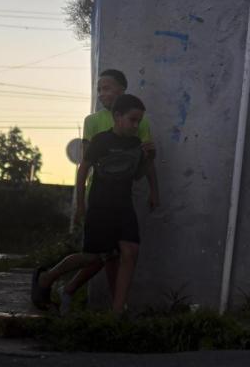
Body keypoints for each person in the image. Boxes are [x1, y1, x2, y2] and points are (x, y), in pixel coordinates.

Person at [33, 94, 159, 314]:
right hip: (101, 205)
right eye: (132, 120)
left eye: (138, 121)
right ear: (117, 116)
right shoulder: (101, 141)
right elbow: (83, 170)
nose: (136, 125)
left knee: (130, 251)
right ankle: (47, 277)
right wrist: (80, 205)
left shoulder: (135, 144)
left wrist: (149, 159)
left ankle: (117, 313)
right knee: (93, 257)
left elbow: (137, 175)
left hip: (124, 205)